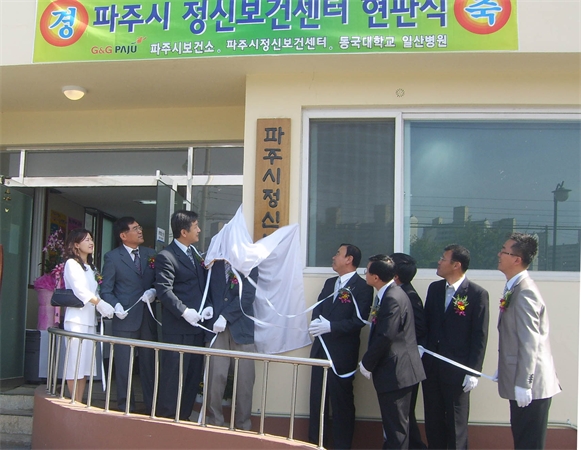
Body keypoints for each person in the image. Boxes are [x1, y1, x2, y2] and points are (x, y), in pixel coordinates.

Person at [496, 233, 561, 449]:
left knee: (529, 444)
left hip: (531, 387)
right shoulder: (514, 287)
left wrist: (525, 383)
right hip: (520, 379)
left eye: (504, 251)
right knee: (523, 441)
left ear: (517, 259)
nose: (499, 254)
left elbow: (530, 341)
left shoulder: (525, 292)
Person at [422, 244, 489, 449]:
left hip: (457, 370)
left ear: (456, 265)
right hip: (432, 367)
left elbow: (479, 335)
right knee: (433, 421)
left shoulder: (476, 294)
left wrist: (473, 371)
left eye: (443, 259)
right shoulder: (434, 289)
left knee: (456, 423)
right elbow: (426, 324)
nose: (439, 262)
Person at [308, 243, 373, 449]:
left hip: (342, 355)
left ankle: (341, 445)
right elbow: (318, 307)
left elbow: (359, 320)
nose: (334, 257)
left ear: (349, 259)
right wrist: (317, 323)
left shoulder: (362, 287)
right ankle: (315, 443)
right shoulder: (330, 283)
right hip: (321, 350)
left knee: (341, 403)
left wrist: (332, 327)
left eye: (338, 253)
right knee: (317, 400)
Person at [359, 254, 426, 449]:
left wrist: (367, 363)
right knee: (396, 427)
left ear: (376, 277)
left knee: (396, 430)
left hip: (397, 373)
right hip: (394, 372)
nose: (365, 274)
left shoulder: (392, 298)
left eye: (367, 271)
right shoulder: (389, 294)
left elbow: (386, 335)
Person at [155, 210, 213, 420]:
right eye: (195, 226)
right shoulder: (166, 256)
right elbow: (164, 290)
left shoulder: (195, 253)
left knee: (192, 376)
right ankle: (167, 418)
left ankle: (184, 416)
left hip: (197, 327)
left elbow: (202, 285)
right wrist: (184, 311)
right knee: (174, 376)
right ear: (183, 231)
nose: (199, 230)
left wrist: (207, 306)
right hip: (178, 328)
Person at [101, 217, 157, 414]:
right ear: (123, 235)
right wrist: (115, 305)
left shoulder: (150, 254)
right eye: (135, 228)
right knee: (124, 365)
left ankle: (152, 406)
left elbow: (159, 281)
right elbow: (106, 290)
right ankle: (126, 406)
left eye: (139, 227)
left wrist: (154, 291)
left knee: (149, 364)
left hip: (147, 317)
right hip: (124, 318)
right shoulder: (112, 258)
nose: (140, 231)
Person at [62, 228, 115, 402]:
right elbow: (80, 290)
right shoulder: (71, 264)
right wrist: (99, 303)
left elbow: (95, 292)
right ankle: (74, 401)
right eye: (86, 240)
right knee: (74, 363)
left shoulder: (91, 268)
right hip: (76, 320)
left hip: (89, 320)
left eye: (91, 239)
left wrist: (105, 306)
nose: (91, 242)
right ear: (76, 245)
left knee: (85, 365)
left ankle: (79, 399)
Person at [205, 260, 259, 430]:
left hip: (241, 329)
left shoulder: (250, 264)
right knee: (215, 376)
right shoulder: (211, 263)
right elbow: (204, 291)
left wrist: (226, 316)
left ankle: (243, 425)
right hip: (216, 329)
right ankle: (215, 422)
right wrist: (208, 307)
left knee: (245, 380)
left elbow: (248, 295)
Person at [390, 252, 427, 450]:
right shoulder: (394, 293)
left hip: (405, 365)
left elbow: (419, 329)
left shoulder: (409, 296)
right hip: (395, 365)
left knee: (403, 415)